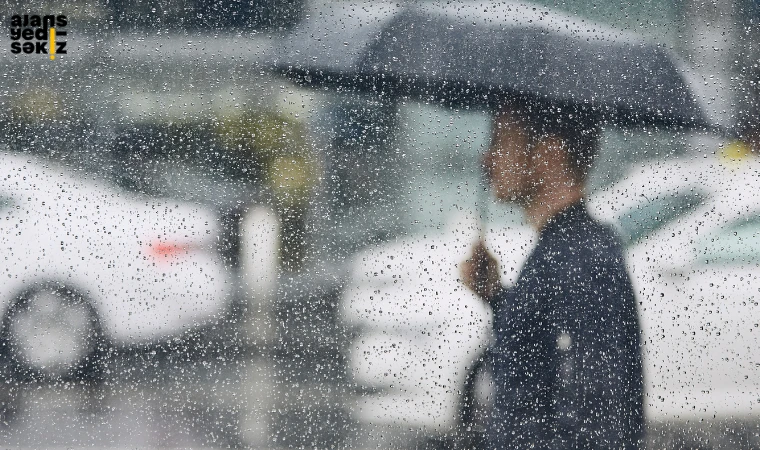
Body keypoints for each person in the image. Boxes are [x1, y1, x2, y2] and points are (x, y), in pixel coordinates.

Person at [461, 98, 644, 449]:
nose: (486, 161)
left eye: (501, 141)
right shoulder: (563, 249)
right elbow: (540, 361)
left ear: (549, 153)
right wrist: (497, 297)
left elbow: (596, 415)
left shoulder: (580, 258)